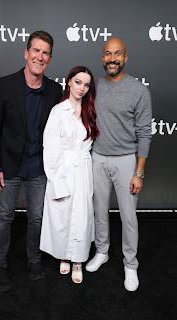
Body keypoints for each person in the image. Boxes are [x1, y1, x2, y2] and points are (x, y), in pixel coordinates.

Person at [0, 30, 62, 292]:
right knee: (4, 217)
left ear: (49, 59)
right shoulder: (5, 85)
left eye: (45, 53)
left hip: (39, 167)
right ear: (26, 53)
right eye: (36, 51)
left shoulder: (55, 90)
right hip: (8, 166)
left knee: (37, 218)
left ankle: (34, 260)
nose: (39, 57)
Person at [85, 38, 152, 291]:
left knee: (128, 217)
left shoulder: (139, 91)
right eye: (108, 54)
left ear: (126, 58)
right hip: (97, 158)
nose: (112, 59)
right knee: (99, 211)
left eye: (118, 54)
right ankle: (102, 252)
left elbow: (145, 133)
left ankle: (130, 265)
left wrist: (139, 172)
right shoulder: (95, 86)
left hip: (126, 160)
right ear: (102, 58)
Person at [40, 66, 99, 284]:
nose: (82, 88)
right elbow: (50, 147)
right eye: (78, 82)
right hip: (63, 167)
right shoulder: (58, 111)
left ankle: (78, 260)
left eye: (86, 84)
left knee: (82, 216)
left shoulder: (91, 110)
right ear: (69, 82)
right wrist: (56, 178)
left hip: (83, 170)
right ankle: (64, 255)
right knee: (62, 212)